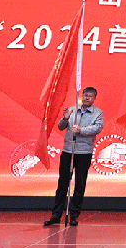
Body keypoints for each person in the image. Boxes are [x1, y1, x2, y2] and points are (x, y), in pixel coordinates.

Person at [44, 87, 104, 227]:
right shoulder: (72, 110)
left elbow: (98, 128)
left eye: (90, 96)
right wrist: (65, 118)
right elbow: (60, 127)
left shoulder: (98, 113)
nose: (87, 98)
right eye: (85, 95)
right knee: (62, 184)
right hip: (68, 151)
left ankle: (74, 215)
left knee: (79, 185)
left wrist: (81, 130)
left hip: (84, 153)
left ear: (94, 98)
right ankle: (56, 215)